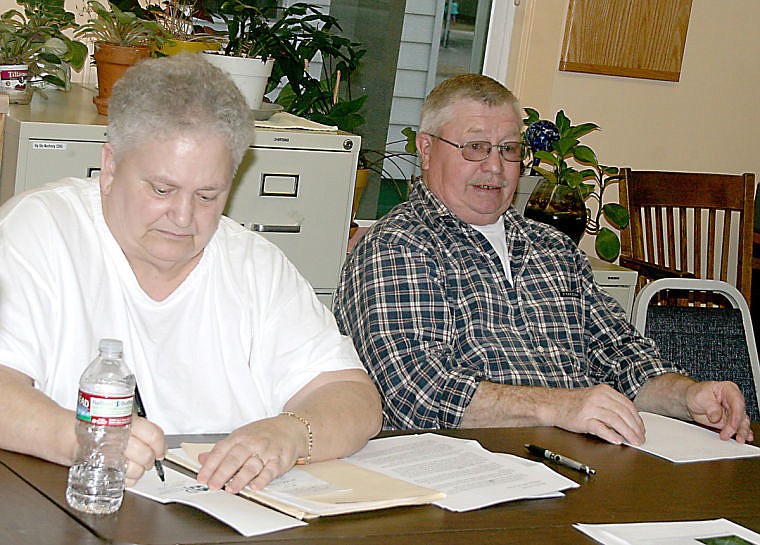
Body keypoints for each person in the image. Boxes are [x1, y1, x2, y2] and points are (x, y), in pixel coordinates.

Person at [0, 54, 382, 494]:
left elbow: (354, 398)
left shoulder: (256, 267)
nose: (182, 217)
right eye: (162, 190)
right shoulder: (38, 232)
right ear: (109, 169)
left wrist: (292, 432)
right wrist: (79, 438)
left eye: (207, 195)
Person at [333, 73, 752, 446]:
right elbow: (415, 394)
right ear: (426, 150)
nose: (495, 167)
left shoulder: (552, 248)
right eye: (475, 147)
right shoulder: (398, 246)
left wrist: (688, 396)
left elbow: (623, 358)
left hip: (575, 461)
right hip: (457, 475)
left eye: (509, 149)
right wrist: (560, 407)